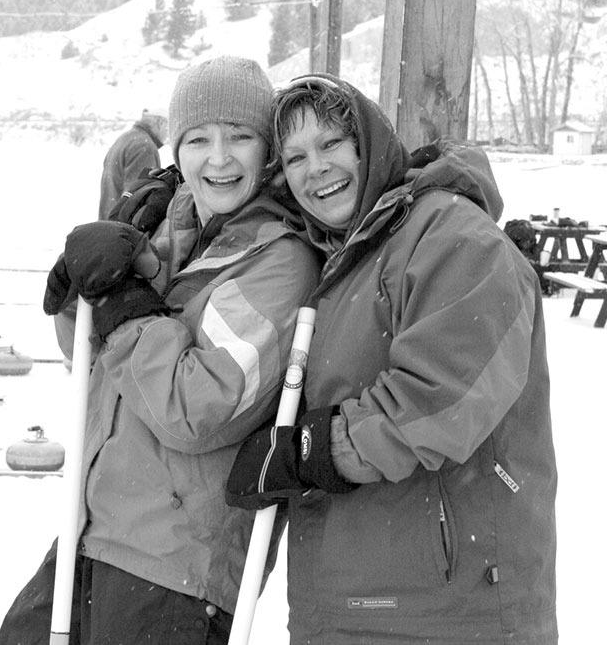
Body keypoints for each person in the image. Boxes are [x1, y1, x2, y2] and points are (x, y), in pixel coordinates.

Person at [0, 56, 320, 644]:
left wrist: (126, 299)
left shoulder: (280, 262)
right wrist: (83, 289)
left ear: (268, 149)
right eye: (198, 139)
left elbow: (196, 409)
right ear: (177, 150)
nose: (218, 158)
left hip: (176, 566)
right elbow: (85, 356)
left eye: (239, 137)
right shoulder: (170, 230)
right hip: (90, 528)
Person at [226, 74, 557, 644]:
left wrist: (312, 451)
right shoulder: (336, 258)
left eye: (332, 144)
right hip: (353, 603)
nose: (317, 169)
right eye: (296, 157)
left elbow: (438, 401)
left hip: (449, 611)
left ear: (370, 142)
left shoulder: (451, 234)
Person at [97, 108, 168, 219]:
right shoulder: (144, 147)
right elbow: (137, 199)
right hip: (122, 229)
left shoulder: (126, 138)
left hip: (109, 225)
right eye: (167, 127)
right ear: (160, 122)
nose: (167, 134)